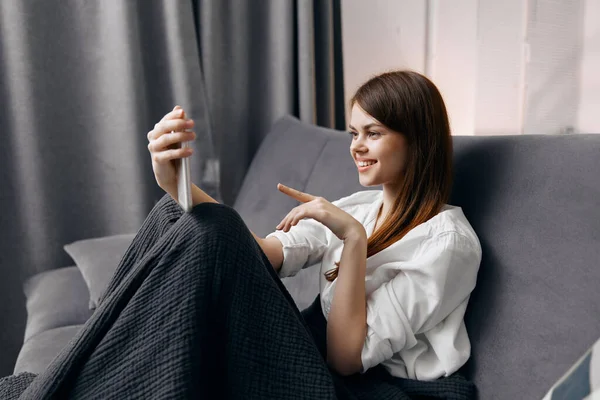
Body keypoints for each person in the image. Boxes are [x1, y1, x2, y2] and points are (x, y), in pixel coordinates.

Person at [0, 70, 481, 399]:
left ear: (417, 140)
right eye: (353, 132)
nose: (355, 147)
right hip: (313, 356)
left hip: (349, 387)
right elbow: (261, 253)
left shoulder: (447, 244)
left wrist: (354, 243)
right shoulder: (358, 208)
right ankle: (92, 361)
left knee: (216, 227)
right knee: (176, 216)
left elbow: (345, 360)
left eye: (371, 133)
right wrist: (177, 186)